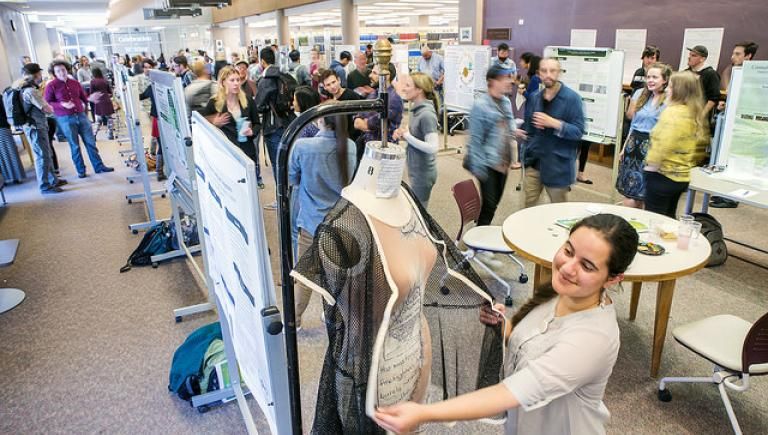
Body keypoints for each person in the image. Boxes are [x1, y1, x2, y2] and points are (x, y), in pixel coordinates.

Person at [373, 213, 639, 435]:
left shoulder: (592, 341)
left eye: (588, 266)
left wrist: (424, 413)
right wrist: (504, 326)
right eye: (568, 251)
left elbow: (515, 391)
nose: (568, 267)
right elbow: (531, 343)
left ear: (613, 279)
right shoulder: (563, 291)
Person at [289, 112, 357, 329]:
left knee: (305, 275)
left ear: (321, 120)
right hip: (340, 220)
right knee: (336, 271)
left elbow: (291, 178)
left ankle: (295, 319)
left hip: (311, 220)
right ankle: (332, 313)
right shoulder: (351, 146)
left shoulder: (303, 146)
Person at [518, 58, 585, 208]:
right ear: (538, 73)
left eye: (553, 70)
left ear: (559, 73)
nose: (548, 74)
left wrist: (554, 123)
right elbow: (529, 129)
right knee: (527, 209)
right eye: (544, 71)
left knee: (557, 211)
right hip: (533, 163)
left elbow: (578, 131)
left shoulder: (572, 99)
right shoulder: (535, 97)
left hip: (557, 166)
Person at [644, 71, 709, 218]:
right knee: (668, 219)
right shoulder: (694, 113)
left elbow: (664, 144)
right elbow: (699, 148)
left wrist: (651, 165)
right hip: (681, 178)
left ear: (679, 91)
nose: (667, 90)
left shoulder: (672, 113)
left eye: (671, 87)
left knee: (654, 220)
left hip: (662, 175)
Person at [44, 60, 114, 178]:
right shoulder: (51, 86)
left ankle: (99, 166)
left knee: (90, 143)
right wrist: (62, 105)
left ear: (67, 70)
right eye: (58, 71)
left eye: (63, 70)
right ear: (54, 73)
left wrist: (90, 98)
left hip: (81, 116)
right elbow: (48, 102)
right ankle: (81, 171)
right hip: (65, 118)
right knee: (74, 145)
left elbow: (84, 97)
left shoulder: (75, 83)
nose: (61, 72)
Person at [464, 65, 515, 225]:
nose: (509, 81)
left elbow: (509, 123)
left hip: (503, 163)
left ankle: (479, 232)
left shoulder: (506, 102)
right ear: (492, 82)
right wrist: (480, 171)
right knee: (489, 205)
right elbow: (475, 141)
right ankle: (478, 242)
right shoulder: (480, 106)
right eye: (505, 78)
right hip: (487, 164)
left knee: (493, 204)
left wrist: (514, 132)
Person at [711, 41, 759, 209]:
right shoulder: (733, 72)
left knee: (738, 161)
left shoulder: (754, 76)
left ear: (748, 56)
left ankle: (731, 198)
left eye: (738, 54)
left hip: (745, 126)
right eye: (733, 53)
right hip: (730, 121)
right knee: (724, 159)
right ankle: (723, 194)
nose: (733, 57)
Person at [616, 63, 670, 209]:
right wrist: (624, 148)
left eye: (655, 77)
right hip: (633, 146)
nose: (650, 80)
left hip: (652, 147)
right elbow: (633, 124)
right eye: (648, 77)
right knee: (630, 193)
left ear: (664, 80)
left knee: (645, 193)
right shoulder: (640, 93)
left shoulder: (668, 100)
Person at [200, 66, 263, 188]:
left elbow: (257, 124)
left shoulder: (248, 100)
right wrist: (214, 123)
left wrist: (252, 132)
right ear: (223, 82)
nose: (236, 83)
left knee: (248, 187)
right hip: (226, 152)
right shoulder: (214, 103)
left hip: (246, 151)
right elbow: (203, 128)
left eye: (238, 80)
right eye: (232, 80)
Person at [15, 63, 66, 194]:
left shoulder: (22, 88)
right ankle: (45, 185)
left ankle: (53, 180)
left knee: (46, 154)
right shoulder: (31, 91)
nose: (40, 77)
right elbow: (47, 109)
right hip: (35, 127)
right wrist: (55, 107)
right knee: (41, 156)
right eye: (38, 74)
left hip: (36, 126)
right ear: (34, 75)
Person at [392, 72, 437, 208]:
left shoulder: (426, 114)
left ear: (419, 90)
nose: (404, 88)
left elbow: (433, 147)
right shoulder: (415, 110)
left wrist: (408, 136)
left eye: (408, 85)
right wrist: (404, 134)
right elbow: (417, 136)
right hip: (416, 169)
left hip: (423, 173)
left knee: (420, 215)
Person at [254, 46, 295, 195]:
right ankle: (290, 196)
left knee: (278, 165)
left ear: (262, 61)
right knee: (288, 161)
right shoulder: (286, 75)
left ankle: (282, 199)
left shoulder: (266, 80)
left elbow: (258, 105)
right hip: (289, 123)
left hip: (273, 126)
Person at [354, 64, 403, 153]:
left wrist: (366, 122)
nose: (370, 76)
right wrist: (359, 119)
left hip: (384, 152)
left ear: (386, 76)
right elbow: (358, 117)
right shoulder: (374, 94)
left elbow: (371, 123)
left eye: (374, 73)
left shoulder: (394, 99)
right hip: (370, 148)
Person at [138, 60, 166, 181]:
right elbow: (141, 96)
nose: (147, 70)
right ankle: (159, 171)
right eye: (145, 67)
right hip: (160, 119)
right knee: (162, 145)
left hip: (159, 118)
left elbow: (141, 96)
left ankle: (159, 170)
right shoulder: (160, 87)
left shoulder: (153, 86)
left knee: (161, 144)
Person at [684, 45, 720, 120]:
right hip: (685, 113)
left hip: (700, 115)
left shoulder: (711, 74)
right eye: (689, 55)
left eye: (693, 55)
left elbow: (713, 98)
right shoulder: (686, 73)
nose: (689, 57)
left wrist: (702, 115)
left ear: (702, 59)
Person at [89, 68, 115, 139]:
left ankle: (94, 134)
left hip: (98, 102)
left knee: (98, 120)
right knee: (109, 118)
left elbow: (91, 93)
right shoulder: (105, 81)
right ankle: (110, 134)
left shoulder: (93, 82)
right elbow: (110, 92)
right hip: (107, 100)